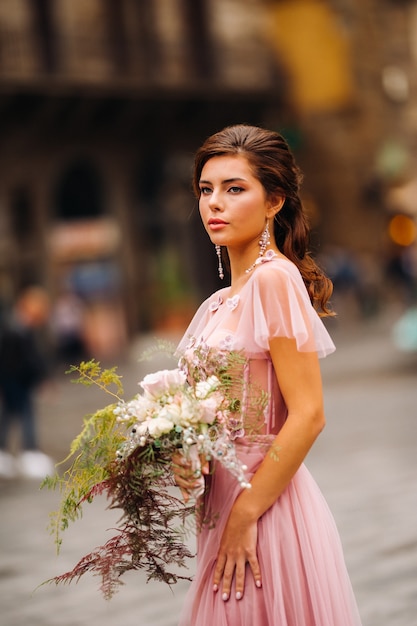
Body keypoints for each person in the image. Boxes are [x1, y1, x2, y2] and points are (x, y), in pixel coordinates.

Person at [174, 125, 362, 625]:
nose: (215, 202)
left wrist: (246, 512)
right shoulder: (218, 303)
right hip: (220, 505)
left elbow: (309, 414)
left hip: (265, 506)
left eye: (235, 188)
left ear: (274, 200)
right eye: (206, 190)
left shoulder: (274, 281)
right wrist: (186, 455)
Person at [0, 286, 54, 479]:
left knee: (10, 416)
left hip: (15, 381)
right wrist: (41, 377)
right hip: (14, 381)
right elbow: (29, 358)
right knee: (23, 415)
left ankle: (11, 451)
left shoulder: (17, 327)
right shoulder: (17, 329)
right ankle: (28, 451)